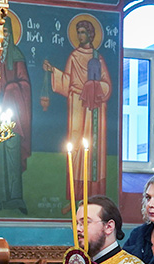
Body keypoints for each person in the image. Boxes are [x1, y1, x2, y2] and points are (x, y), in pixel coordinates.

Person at [42, 17, 111, 201]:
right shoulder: (73, 56)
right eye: (78, 32)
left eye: (83, 32)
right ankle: (76, 196)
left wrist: (94, 87)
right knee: (76, 147)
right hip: (77, 105)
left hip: (95, 107)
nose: (80, 36)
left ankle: (94, 198)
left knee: (92, 148)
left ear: (90, 34)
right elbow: (66, 81)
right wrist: (52, 71)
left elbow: (107, 86)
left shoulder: (98, 58)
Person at [0, 12, 32, 215]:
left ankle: (14, 198)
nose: (3, 36)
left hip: (13, 117)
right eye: (0, 31)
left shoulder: (17, 55)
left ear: (11, 33)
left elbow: (25, 84)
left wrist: (11, 91)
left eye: (6, 31)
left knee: (11, 154)